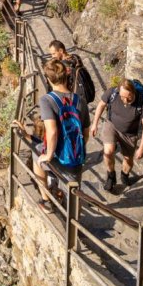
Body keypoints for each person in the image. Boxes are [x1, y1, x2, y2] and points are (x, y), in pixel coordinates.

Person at [34, 59, 88, 210]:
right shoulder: (80, 101)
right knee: (74, 193)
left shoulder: (47, 100)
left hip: (57, 156)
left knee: (37, 152)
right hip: (76, 158)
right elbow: (86, 133)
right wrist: (74, 149)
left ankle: (46, 201)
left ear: (48, 79)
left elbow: (52, 131)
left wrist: (49, 155)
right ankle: (76, 229)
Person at [91, 79, 143, 193]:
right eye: (122, 96)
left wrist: (142, 148)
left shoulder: (141, 103)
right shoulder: (113, 93)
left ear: (133, 93)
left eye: (128, 97)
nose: (125, 100)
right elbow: (101, 105)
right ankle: (111, 175)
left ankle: (125, 174)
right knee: (108, 152)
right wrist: (95, 124)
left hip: (129, 134)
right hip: (112, 125)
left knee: (128, 159)